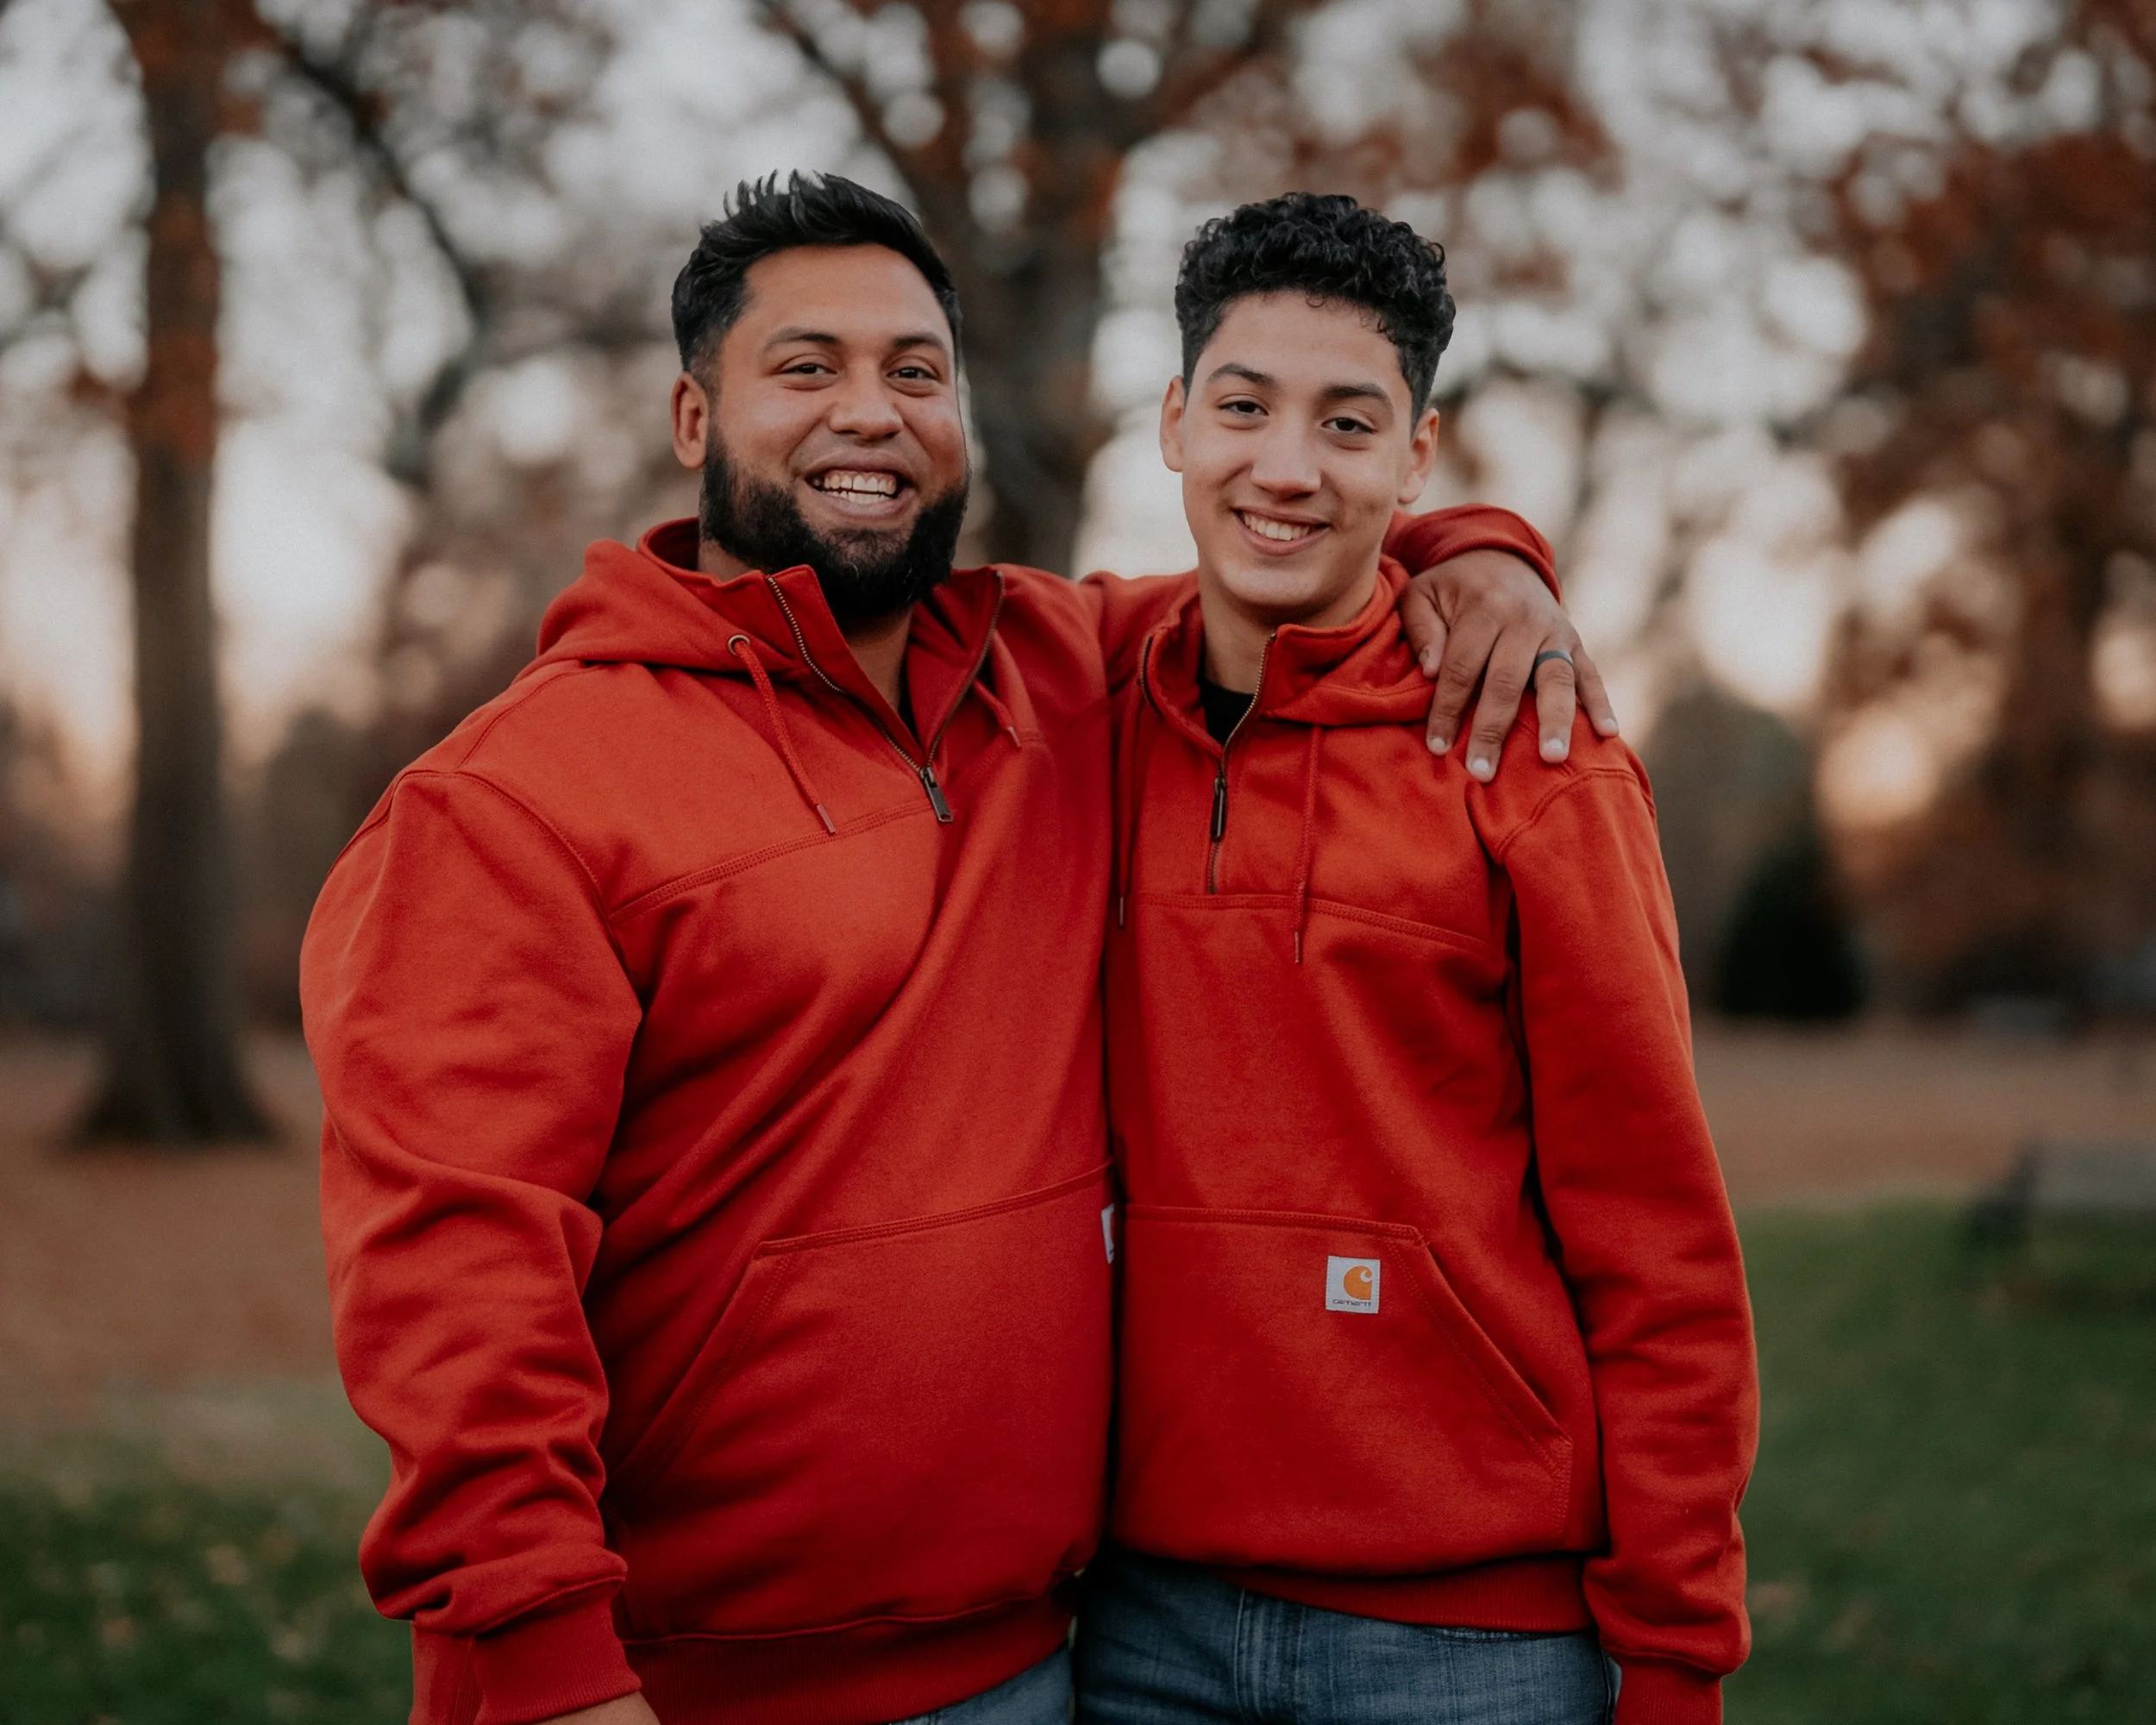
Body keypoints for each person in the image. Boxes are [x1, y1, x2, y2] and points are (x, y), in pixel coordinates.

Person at [301, 173, 1594, 1725]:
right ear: (695, 420)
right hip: (693, 1686)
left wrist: (1480, 552)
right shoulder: (514, 796)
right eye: (807, 368)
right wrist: (538, 1667)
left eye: (916, 372)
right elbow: (452, 1273)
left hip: (1043, 1665)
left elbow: (1292, 535)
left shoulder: (1063, 672)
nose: (873, 412)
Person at [1082, 194, 1756, 1725]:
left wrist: (1675, 1659)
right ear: (1175, 423)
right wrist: (1491, 551)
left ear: (1418, 456)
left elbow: (1656, 1237)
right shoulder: (1076, 699)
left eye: (1349, 422)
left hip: (1473, 1649)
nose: (1287, 466)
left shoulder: (1538, 757)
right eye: (1243, 408)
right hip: (1139, 1628)